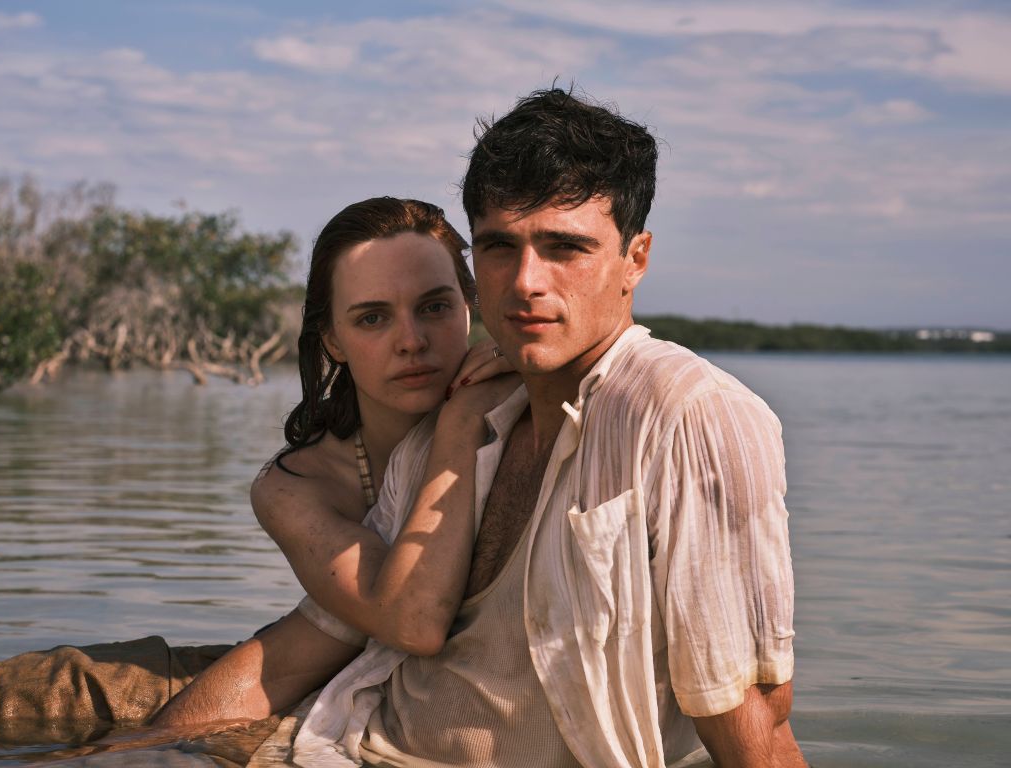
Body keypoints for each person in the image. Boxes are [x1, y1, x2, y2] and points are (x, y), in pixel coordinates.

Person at [278, 88, 805, 767]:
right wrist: (160, 740)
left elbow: (751, 714)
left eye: (564, 247)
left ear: (635, 259)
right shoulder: (462, 418)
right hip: (335, 741)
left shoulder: (687, 415)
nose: (526, 281)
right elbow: (321, 637)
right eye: (500, 246)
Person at [0, 197, 516, 751]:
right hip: (289, 671)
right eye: (372, 318)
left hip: (368, 695)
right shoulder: (296, 485)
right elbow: (318, 642)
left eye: (434, 307)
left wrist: (474, 411)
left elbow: (409, 623)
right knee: (44, 690)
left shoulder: (522, 410)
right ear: (333, 339)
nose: (411, 340)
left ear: (469, 306)